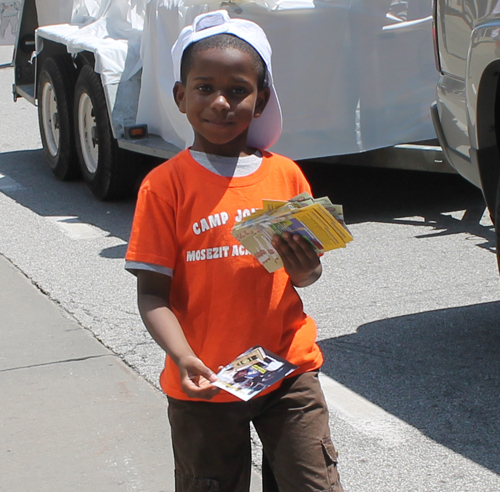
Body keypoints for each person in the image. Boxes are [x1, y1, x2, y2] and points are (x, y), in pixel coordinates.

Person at [125, 9, 344, 492]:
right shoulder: (164, 187)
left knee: (314, 483)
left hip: (287, 368)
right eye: (204, 87)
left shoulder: (285, 175)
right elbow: (152, 294)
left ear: (261, 99)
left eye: (239, 90)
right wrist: (182, 357)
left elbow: (303, 277)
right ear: (181, 96)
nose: (221, 102)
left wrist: (306, 269)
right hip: (204, 382)